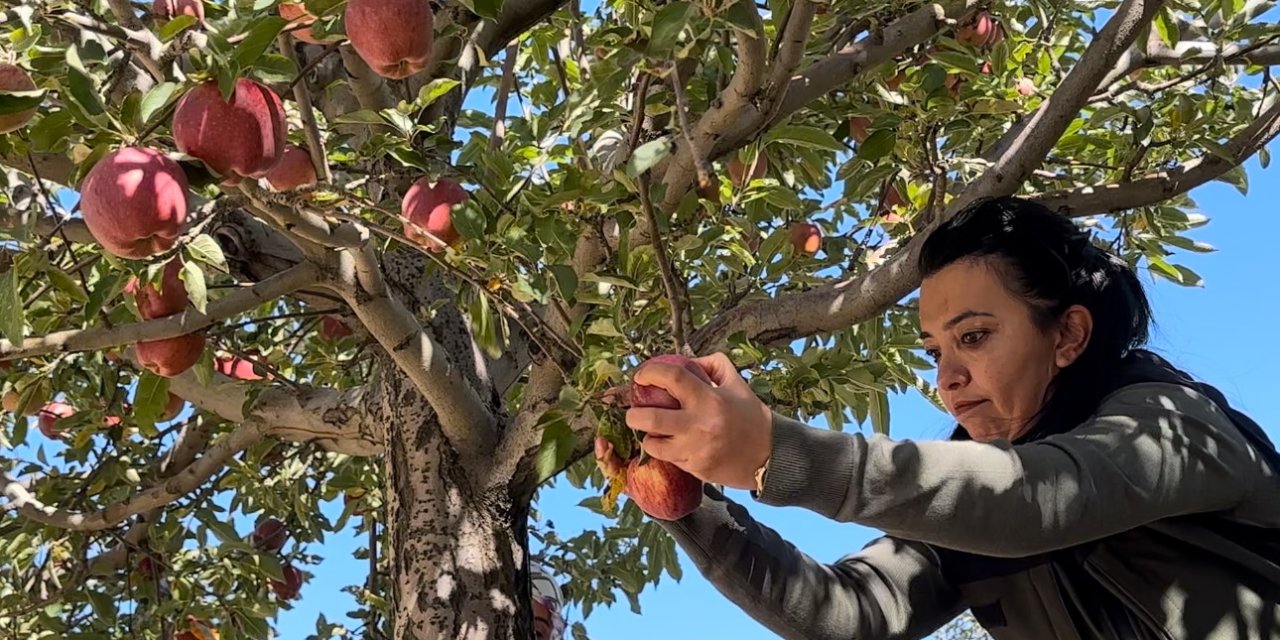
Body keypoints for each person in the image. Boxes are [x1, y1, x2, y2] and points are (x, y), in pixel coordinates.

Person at [616, 196, 1280, 639]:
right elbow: (849, 612)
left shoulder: (1170, 423)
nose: (947, 379)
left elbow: (1039, 499)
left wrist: (773, 451)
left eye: (975, 337)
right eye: (935, 350)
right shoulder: (970, 505)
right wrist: (686, 495)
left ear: (1069, 335)